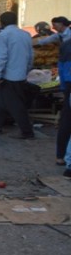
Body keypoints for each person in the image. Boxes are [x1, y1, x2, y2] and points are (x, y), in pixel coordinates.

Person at [0, 11, 35, 139]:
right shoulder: (26, 34)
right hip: (20, 74)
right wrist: (26, 70)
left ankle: (27, 132)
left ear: (2, 23)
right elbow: (31, 55)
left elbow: (1, 57)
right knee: (2, 100)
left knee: (16, 105)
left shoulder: (3, 35)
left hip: (8, 75)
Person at [34, 17, 71, 163]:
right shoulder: (61, 39)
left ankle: (62, 157)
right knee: (67, 119)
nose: (53, 26)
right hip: (68, 80)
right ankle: (62, 157)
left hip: (67, 80)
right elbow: (43, 42)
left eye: (55, 23)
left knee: (67, 119)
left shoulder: (67, 42)